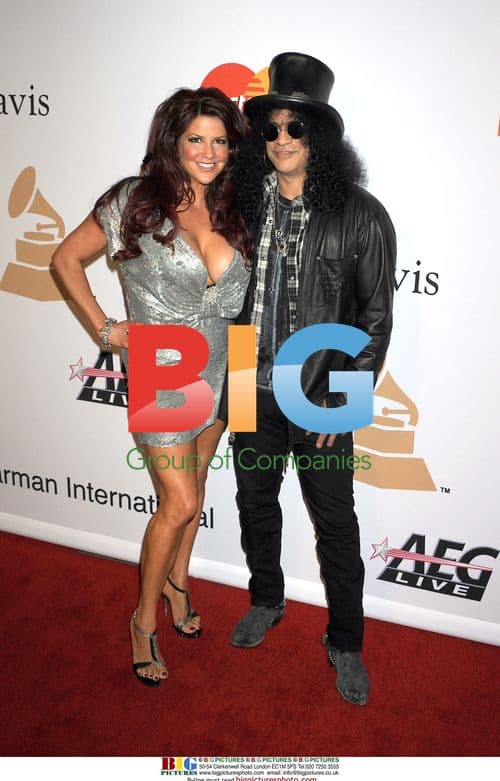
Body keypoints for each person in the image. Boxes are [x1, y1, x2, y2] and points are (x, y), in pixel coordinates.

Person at [52, 87, 251, 687]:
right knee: (180, 502)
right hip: (164, 371)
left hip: (225, 361)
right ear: (173, 141)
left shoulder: (236, 206)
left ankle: (180, 587)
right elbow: (64, 259)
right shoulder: (133, 201)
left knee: (198, 485)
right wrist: (107, 329)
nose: (209, 151)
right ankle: (143, 621)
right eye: (196, 139)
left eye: (219, 140)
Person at [230, 52, 396, 706]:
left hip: (322, 391)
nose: (280, 141)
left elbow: (376, 317)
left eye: (295, 129)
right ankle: (266, 600)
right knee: (253, 504)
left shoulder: (362, 213)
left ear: (320, 138)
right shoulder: (242, 206)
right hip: (250, 379)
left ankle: (346, 641)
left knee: (337, 525)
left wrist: (344, 401)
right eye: (270, 129)